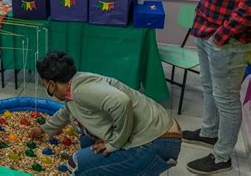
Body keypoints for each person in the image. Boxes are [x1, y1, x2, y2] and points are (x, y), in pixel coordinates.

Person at [30, 51, 182, 175]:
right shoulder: (75, 83)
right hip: (160, 130)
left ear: (51, 84)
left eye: (44, 85)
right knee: (86, 141)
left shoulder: (81, 90)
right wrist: (44, 129)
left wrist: (114, 143)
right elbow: (67, 110)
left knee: (77, 163)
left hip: (157, 141)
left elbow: (121, 102)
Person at [184, 0, 251, 174]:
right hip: (206, 26)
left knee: (226, 98)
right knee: (209, 86)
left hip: (228, 38)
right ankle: (209, 132)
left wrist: (224, 33)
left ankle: (222, 156)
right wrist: (200, 17)